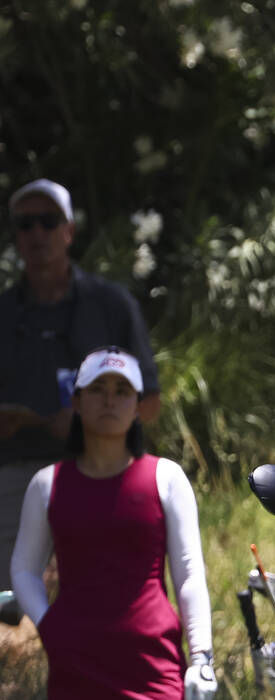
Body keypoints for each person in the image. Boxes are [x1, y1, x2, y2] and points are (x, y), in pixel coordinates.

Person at [9, 347, 216, 700]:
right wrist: (50, 626)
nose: (109, 400)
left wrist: (202, 657)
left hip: (154, 663)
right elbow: (24, 568)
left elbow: (188, 573)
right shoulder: (48, 484)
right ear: (77, 403)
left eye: (122, 391)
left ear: (139, 406)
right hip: (80, 664)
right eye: (97, 390)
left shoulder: (166, 477)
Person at [0, 179, 161, 593]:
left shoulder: (110, 304)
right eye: (26, 224)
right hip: (13, 473)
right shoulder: (3, 311)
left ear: (69, 231)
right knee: (10, 603)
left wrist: (89, 420)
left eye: (48, 222)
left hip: (98, 467)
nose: (36, 233)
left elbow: (151, 403)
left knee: (106, 593)